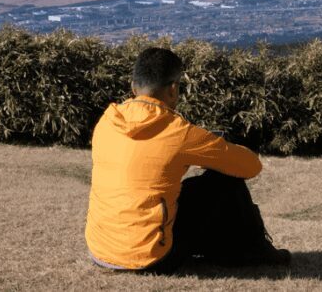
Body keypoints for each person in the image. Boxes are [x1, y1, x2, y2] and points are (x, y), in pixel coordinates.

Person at [85, 47, 290, 273]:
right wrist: (215, 155)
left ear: (133, 86)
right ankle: (258, 252)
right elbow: (251, 166)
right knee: (226, 183)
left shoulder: (107, 121)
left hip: (100, 249)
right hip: (152, 256)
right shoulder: (179, 132)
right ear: (173, 89)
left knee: (182, 190)